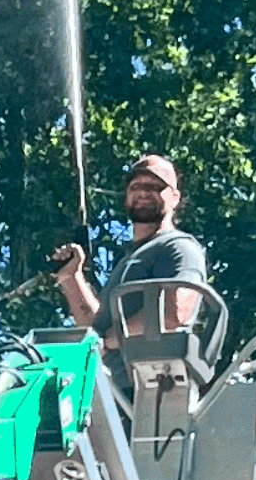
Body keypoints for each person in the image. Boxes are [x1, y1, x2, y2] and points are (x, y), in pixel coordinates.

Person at [52, 154, 208, 395]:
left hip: (154, 392)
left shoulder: (178, 247)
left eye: (154, 186)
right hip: (114, 394)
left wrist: (111, 340)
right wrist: (71, 277)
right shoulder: (128, 262)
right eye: (136, 186)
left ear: (175, 198)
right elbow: (95, 331)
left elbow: (175, 313)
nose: (143, 192)